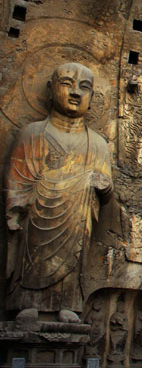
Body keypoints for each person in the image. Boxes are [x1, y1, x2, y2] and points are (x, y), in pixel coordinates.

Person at [5, 62, 113, 319]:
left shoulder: (97, 143)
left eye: (84, 87)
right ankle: (26, 302)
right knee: (32, 253)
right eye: (67, 84)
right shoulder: (32, 133)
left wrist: (104, 187)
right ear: (51, 88)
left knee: (74, 260)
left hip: (76, 217)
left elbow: (106, 189)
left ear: (92, 97)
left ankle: (69, 304)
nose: (76, 92)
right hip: (39, 212)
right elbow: (16, 178)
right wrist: (15, 209)